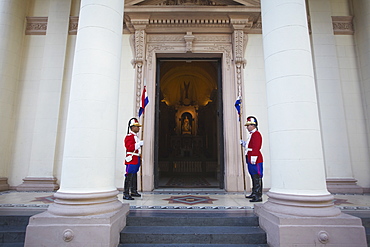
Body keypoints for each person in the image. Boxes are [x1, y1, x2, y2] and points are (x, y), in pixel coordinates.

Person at [240, 116, 263, 202]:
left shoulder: (256, 134)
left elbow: (256, 147)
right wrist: (244, 143)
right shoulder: (252, 135)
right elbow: (250, 145)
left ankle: (258, 195)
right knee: (253, 176)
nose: (247, 127)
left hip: (255, 158)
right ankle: (254, 193)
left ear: (254, 125)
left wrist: (253, 158)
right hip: (250, 157)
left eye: (249, 125)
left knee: (257, 176)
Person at [123, 118, 144, 200]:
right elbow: (129, 147)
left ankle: (133, 191)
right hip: (132, 158)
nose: (138, 128)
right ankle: (126, 193)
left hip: (136, 157)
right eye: (137, 127)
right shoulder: (129, 136)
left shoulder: (135, 137)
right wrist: (139, 144)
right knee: (129, 175)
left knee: (134, 175)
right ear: (132, 127)